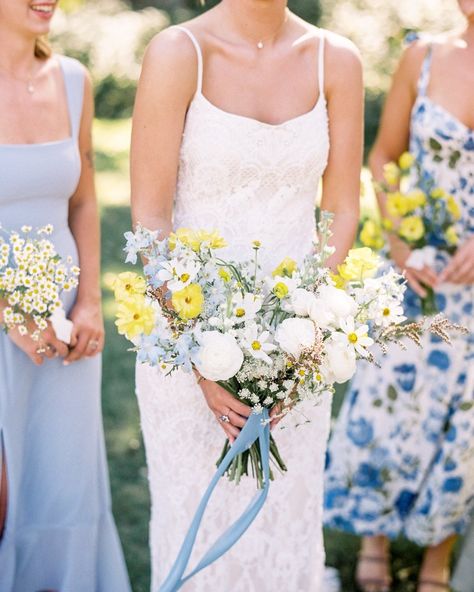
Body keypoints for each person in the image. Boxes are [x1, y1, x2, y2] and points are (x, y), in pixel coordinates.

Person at [130, 0, 363, 589]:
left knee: (285, 522)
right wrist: (200, 357)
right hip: (187, 350)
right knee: (197, 527)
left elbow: (341, 210)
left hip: (296, 351)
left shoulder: (337, 60)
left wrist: (302, 340)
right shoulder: (178, 53)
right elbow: (151, 223)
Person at [324, 1, 474, 591]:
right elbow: (384, 156)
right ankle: (373, 536)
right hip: (417, 267)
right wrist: (397, 240)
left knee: (465, 419)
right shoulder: (425, 56)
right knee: (387, 397)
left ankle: (438, 556)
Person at [0, 1, 131, 590]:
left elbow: (82, 198)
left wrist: (90, 303)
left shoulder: (74, 79)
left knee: (62, 484)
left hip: (65, 320)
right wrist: (10, 315)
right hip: (7, 320)